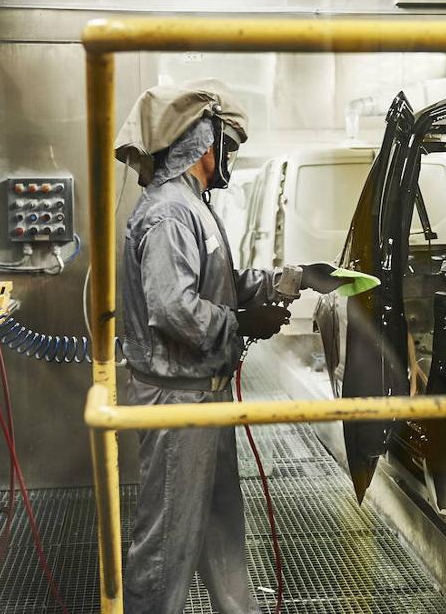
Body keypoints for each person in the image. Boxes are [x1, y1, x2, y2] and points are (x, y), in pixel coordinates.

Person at [114, 80, 339, 613]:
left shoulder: (194, 205)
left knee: (220, 527)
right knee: (167, 542)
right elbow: (171, 308)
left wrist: (293, 279)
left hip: (202, 397)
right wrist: (239, 324)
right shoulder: (169, 212)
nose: (230, 156)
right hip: (176, 402)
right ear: (201, 143)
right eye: (227, 144)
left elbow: (222, 284)